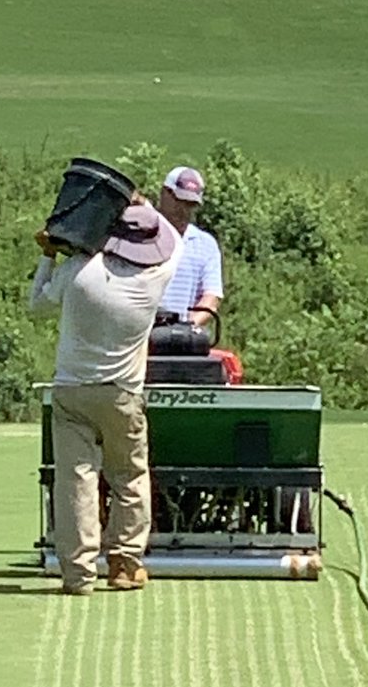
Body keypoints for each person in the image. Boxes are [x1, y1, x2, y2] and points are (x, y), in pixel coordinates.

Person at [28, 200, 181, 596]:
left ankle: (77, 574)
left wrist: (48, 254)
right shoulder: (160, 272)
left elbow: (37, 305)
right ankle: (125, 565)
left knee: (76, 480)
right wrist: (145, 204)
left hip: (72, 390)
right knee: (128, 475)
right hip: (122, 393)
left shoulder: (79, 269)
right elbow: (172, 234)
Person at [156, 166, 223, 327]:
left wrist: (185, 327)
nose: (184, 210)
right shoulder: (140, 234)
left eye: (190, 204)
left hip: (179, 340)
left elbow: (211, 297)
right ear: (165, 194)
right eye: (180, 201)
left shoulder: (205, 244)